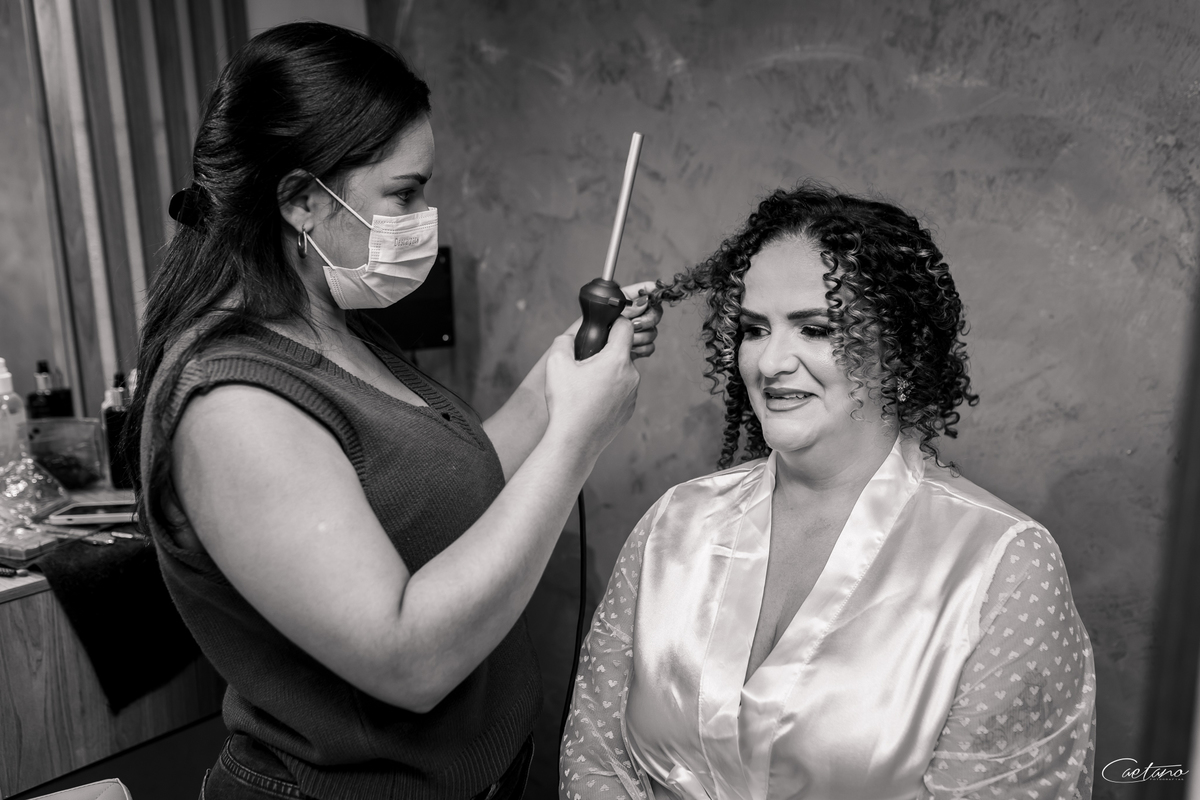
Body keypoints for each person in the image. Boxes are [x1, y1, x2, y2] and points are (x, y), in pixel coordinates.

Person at [128, 22, 662, 800]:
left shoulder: (338, 330)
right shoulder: (233, 406)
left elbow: (450, 486)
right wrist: (578, 439)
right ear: (303, 201)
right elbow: (408, 659)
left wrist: (561, 375)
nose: (424, 213)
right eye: (405, 192)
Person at [560, 183, 1095, 800]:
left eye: (814, 329)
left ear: (902, 352)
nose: (770, 363)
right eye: (755, 329)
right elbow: (591, 758)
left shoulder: (1005, 566)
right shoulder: (673, 525)